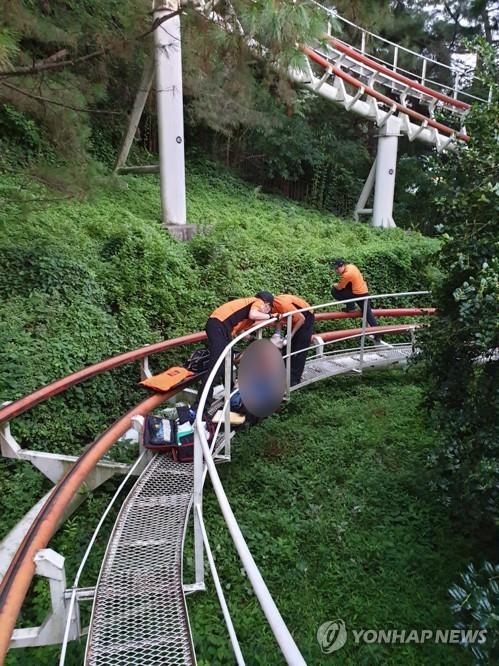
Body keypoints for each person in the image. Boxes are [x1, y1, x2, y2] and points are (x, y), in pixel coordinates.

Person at [194, 292, 276, 407]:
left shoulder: (246, 311)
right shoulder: (257, 302)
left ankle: (230, 394)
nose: (267, 312)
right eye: (269, 309)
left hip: (222, 329)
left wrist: (253, 338)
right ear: (267, 304)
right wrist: (271, 317)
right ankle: (200, 405)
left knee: (229, 360)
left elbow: (245, 329)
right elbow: (254, 314)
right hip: (218, 326)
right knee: (218, 366)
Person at [330, 258, 381, 342]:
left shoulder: (346, 275)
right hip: (364, 292)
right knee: (368, 314)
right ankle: (378, 334)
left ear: (342, 266)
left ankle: (350, 306)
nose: (336, 271)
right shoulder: (351, 266)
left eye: (337, 268)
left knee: (334, 291)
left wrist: (334, 284)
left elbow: (339, 287)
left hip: (358, 295)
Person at [272, 293, 315, 386]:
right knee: (287, 346)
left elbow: (301, 319)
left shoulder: (282, 305)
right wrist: (277, 333)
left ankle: (293, 380)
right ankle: (281, 375)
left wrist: (290, 335)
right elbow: (278, 319)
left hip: (306, 316)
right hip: (294, 317)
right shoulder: (273, 305)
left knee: (299, 348)